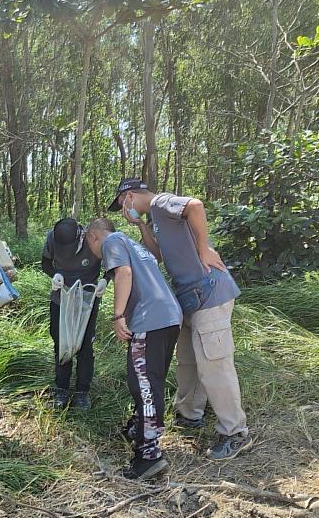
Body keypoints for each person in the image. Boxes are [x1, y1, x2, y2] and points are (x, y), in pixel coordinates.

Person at [108, 178, 252, 461]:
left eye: (123, 203)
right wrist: (139, 225)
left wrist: (203, 249)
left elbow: (195, 206)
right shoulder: (155, 219)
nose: (124, 210)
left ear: (130, 196)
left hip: (209, 292)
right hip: (187, 299)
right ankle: (190, 414)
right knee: (187, 360)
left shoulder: (161, 203)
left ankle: (234, 432)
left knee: (214, 364)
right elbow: (157, 254)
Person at [85, 218, 182, 480]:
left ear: (93, 236)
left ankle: (149, 455)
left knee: (144, 385)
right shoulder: (133, 245)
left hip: (150, 320)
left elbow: (124, 273)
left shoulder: (112, 241)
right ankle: (138, 429)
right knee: (153, 380)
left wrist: (118, 317)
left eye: (88, 244)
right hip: (170, 317)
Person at [41, 218, 103, 410]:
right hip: (61, 296)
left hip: (87, 298)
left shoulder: (93, 240)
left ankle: (82, 392)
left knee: (85, 345)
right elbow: (46, 263)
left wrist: (105, 281)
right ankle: (61, 389)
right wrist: (55, 275)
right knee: (61, 342)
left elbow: (113, 265)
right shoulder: (52, 238)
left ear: (81, 237)